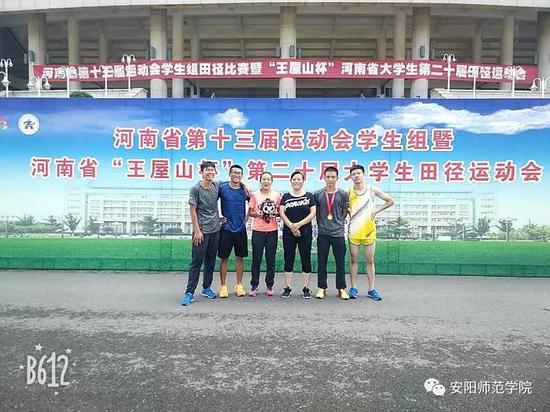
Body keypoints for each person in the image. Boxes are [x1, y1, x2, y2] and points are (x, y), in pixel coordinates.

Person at [347, 164, 395, 301]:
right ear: (351, 177)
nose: (356, 176)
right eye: (353, 174)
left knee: (370, 260)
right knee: (354, 260)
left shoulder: (372, 189)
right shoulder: (349, 191)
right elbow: (346, 208)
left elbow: (390, 201)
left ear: (363, 174)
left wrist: (376, 210)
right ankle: (353, 288)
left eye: (358, 173)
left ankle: (371, 289)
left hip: (369, 231)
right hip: (354, 231)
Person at [181, 161, 222, 306]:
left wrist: (244, 185)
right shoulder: (196, 189)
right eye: (207, 170)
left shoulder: (217, 185)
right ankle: (189, 292)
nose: (210, 172)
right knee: (196, 262)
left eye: (212, 170)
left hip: (215, 229)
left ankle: (206, 288)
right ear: (201, 172)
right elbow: (192, 211)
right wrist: (197, 231)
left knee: (211, 261)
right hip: (201, 232)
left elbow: (233, 182)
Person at [278, 171, 317, 299]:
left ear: (303, 181)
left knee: (306, 259)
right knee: (288, 258)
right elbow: (281, 212)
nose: (296, 181)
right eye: (294, 179)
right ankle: (288, 287)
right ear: (291, 181)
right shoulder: (285, 196)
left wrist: (298, 225)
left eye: (299, 179)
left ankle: (306, 288)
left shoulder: (309, 196)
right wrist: (291, 226)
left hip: (305, 232)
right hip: (288, 232)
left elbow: (313, 213)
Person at [314, 166, 350, 300]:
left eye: (333, 177)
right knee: (322, 261)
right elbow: (317, 212)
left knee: (340, 262)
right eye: (328, 177)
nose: (330, 179)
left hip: (338, 233)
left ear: (337, 178)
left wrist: (339, 222)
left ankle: (341, 288)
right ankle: (321, 288)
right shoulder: (318, 194)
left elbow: (345, 211)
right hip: (323, 233)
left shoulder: (343, 194)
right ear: (324, 178)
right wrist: (322, 224)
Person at [218, 164, 249, 298]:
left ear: (242, 176)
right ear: (230, 174)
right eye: (234, 172)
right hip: (226, 229)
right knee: (224, 258)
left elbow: (253, 203)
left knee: (239, 258)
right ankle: (223, 286)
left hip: (240, 229)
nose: (237, 175)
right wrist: (218, 216)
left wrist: (247, 217)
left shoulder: (244, 190)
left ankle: (239, 285)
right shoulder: (222, 188)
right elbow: (212, 201)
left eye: (239, 173)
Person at [248, 171, 281, 297]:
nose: (266, 181)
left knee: (270, 259)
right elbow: (250, 212)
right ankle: (254, 285)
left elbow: (279, 212)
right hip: (258, 230)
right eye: (264, 179)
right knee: (256, 259)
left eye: (268, 179)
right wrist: (257, 214)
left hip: (272, 230)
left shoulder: (276, 195)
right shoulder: (255, 195)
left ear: (271, 181)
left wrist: (274, 214)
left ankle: (269, 285)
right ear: (260, 181)